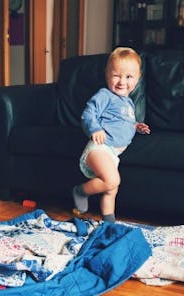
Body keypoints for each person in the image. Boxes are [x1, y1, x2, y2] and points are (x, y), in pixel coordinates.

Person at [72, 47, 150, 223]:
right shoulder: (104, 95)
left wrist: (136, 126)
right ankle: (80, 191)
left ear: (138, 79)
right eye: (116, 75)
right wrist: (95, 129)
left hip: (113, 154)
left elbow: (122, 122)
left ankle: (109, 222)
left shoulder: (128, 102)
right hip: (99, 148)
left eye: (129, 77)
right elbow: (88, 114)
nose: (122, 81)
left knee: (111, 189)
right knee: (112, 180)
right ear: (107, 74)